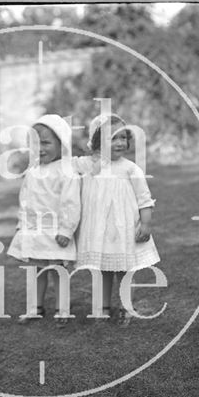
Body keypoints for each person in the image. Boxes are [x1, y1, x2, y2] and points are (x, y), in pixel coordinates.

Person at [73, 113, 160, 327]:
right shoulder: (89, 165)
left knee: (122, 270)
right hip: (99, 231)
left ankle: (125, 307)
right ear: (97, 142)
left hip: (123, 230)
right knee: (103, 269)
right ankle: (102, 308)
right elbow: (64, 167)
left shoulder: (130, 168)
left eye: (123, 137)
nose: (120, 142)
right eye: (113, 138)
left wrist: (146, 224)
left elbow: (144, 199)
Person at [7, 114, 81, 326]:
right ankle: (35, 308)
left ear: (61, 144)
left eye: (46, 143)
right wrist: (22, 225)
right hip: (34, 230)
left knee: (58, 271)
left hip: (56, 231)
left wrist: (67, 230)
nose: (40, 149)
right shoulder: (32, 172)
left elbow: (71, 202)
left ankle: (63, 310)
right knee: (36, 271)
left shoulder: (66, 171)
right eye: (35, 144)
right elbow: (26, 200)